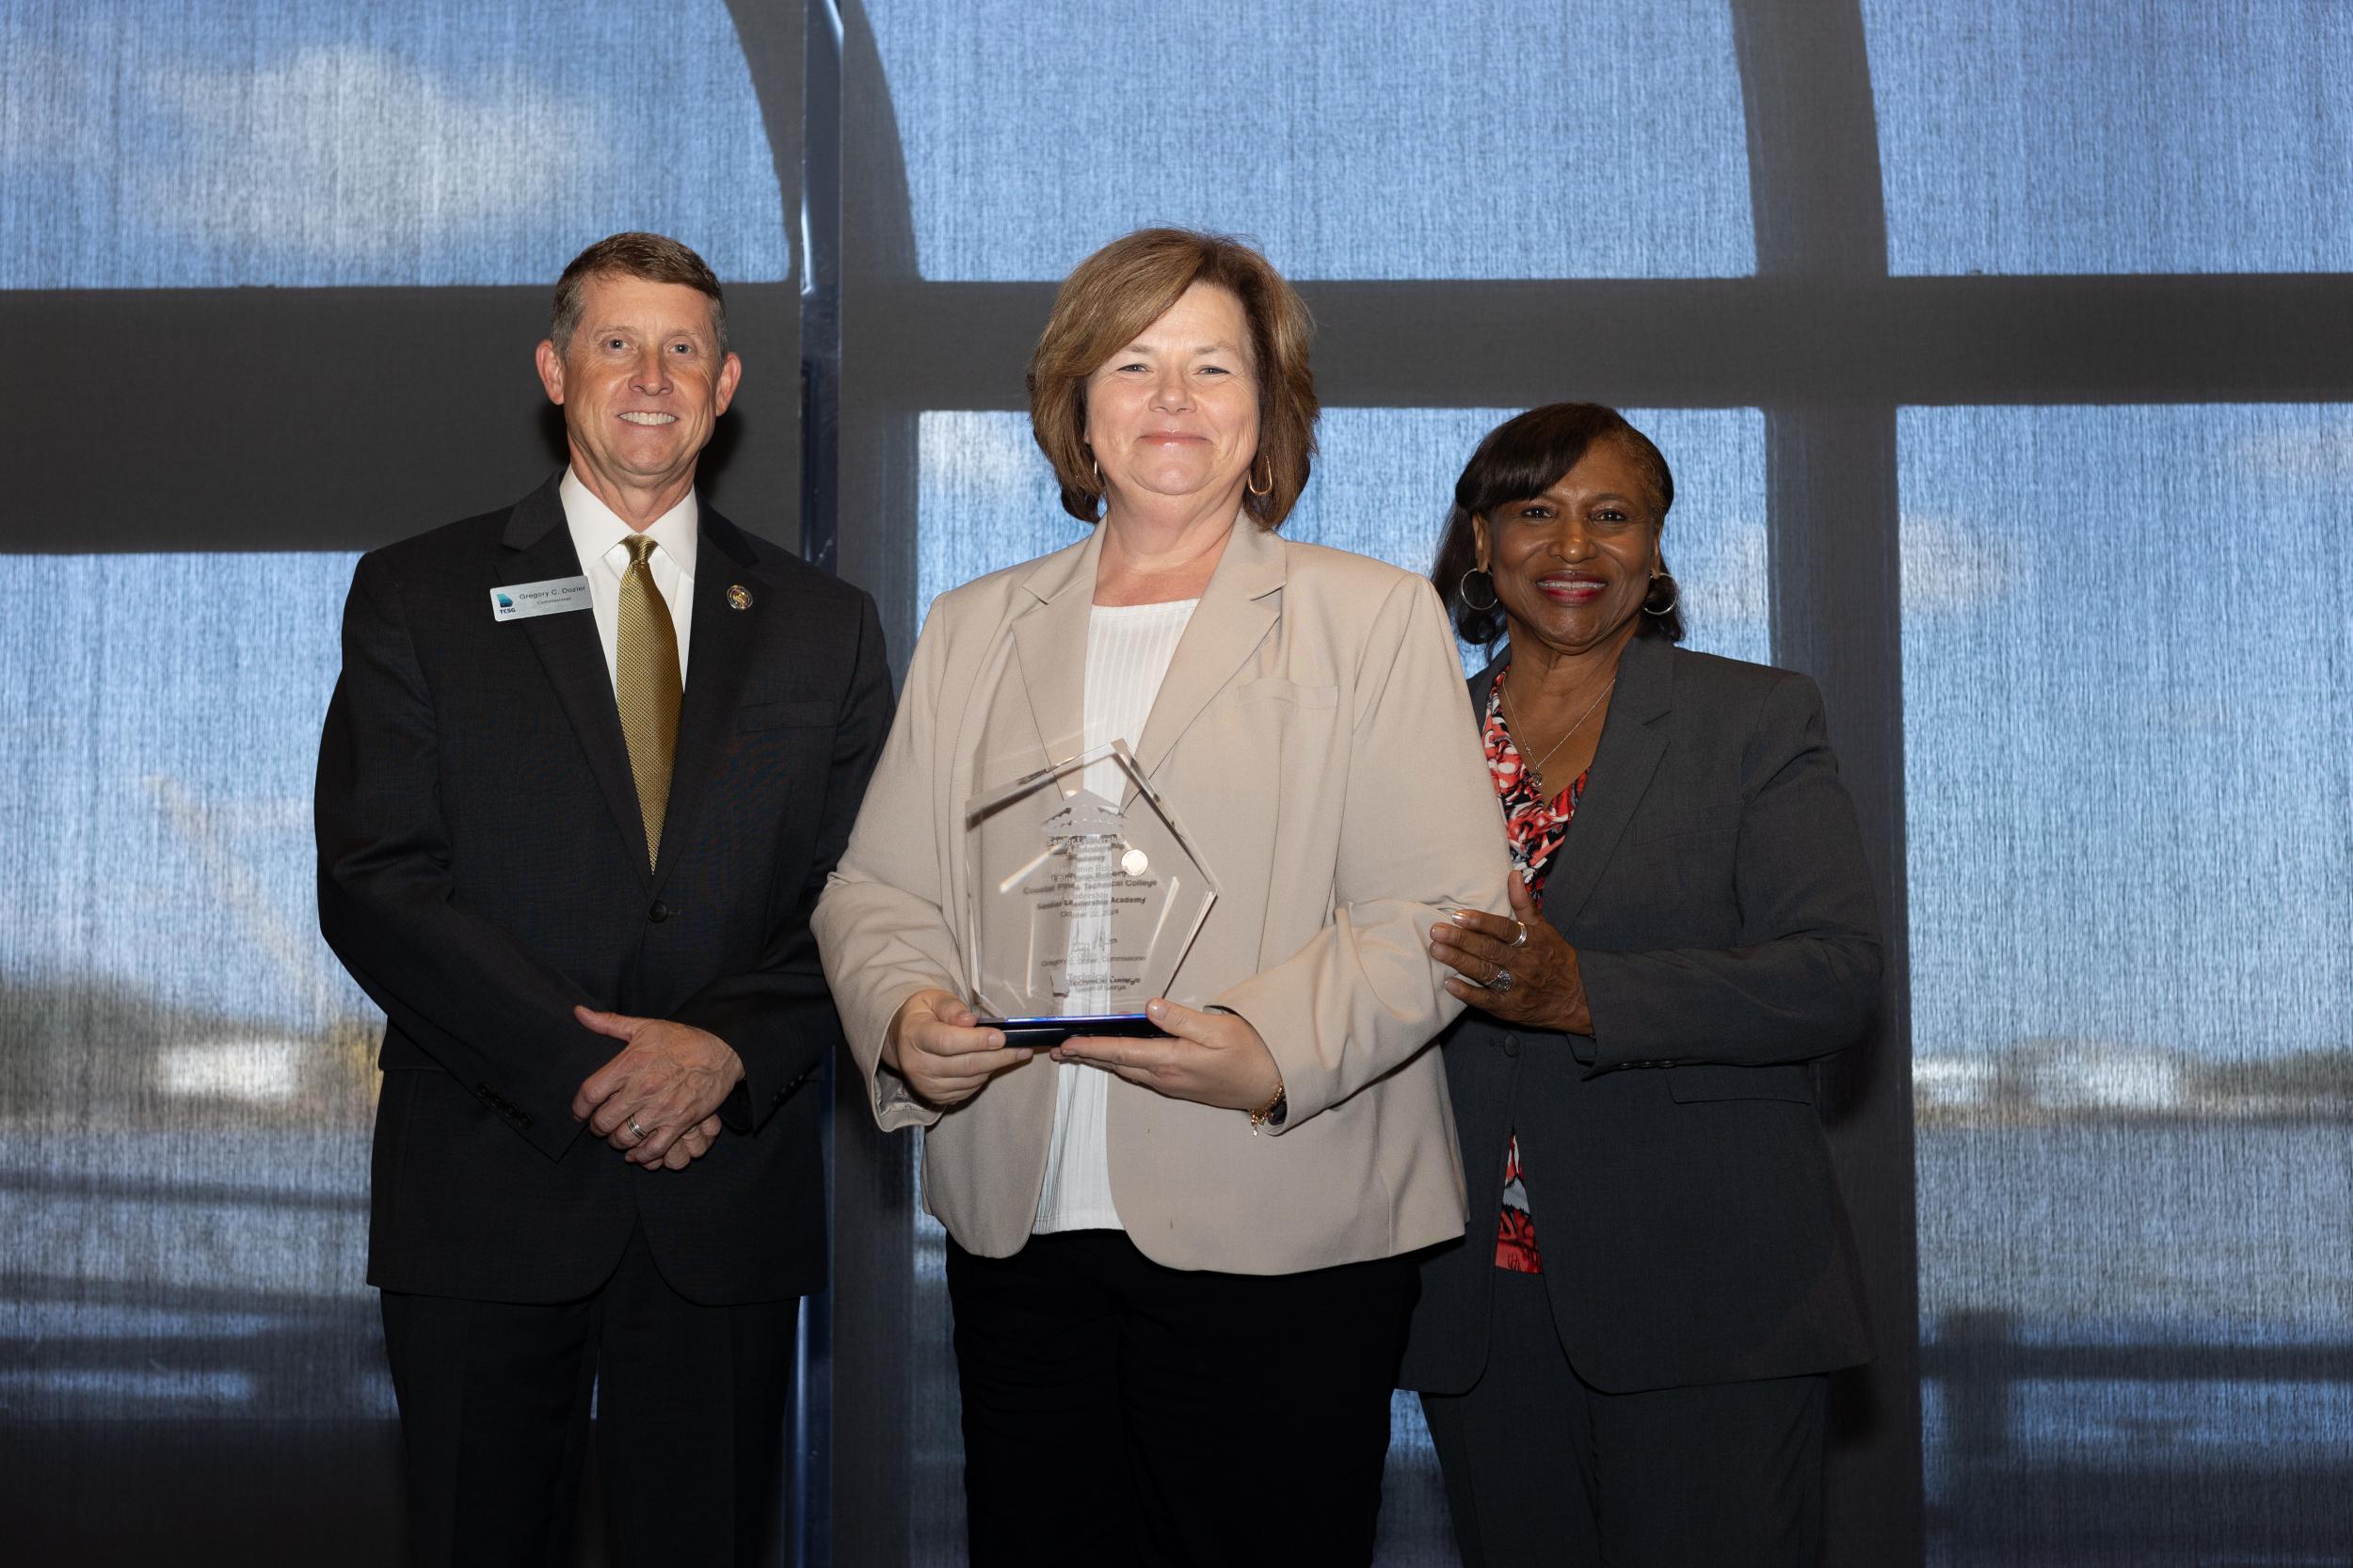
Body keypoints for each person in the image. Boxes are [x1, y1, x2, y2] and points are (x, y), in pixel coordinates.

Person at [812, 228, 1508, 1567]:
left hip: (1283, 1212)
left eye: (1213, 366)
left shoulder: (1369, 619)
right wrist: (901, 1011)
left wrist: (1266, 1050)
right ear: (1079, 405)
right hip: (1021, 1227)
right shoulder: (974, 624)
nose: (1173, 399)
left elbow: (1442, 906)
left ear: (1270, 410)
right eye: (1134, 364)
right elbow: (878, 885)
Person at [314, 232, 891, 1565]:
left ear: (728, 380)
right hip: (484, 1189)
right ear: (553, 368)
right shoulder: (418, 591)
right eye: (616, 343)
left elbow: (867, 888)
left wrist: (721, 1051)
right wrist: (590, 1068)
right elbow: (377, 876)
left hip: (724, 1194)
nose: (650, 374)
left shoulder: (825, 623)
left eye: (683, 347)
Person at [1398, 404, 1880, 1567]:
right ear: (1479, 541)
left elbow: (1834, 977)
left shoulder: (1754, 717)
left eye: (1611, 516)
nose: (1573, 548)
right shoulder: (1404, 739)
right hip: (1475, 1298)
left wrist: (1584, 993)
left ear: (1655, 550)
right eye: (1536, 512)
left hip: (1711, 1289)